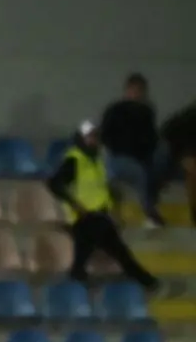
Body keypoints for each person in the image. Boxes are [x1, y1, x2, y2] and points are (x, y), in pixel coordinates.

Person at [48, 120, 159, 291]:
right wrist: (75, 204)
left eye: (95, 136)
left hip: (98, 214)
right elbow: (55, 184)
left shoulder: (97, 159)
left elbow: (101, 188)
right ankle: (147, 281)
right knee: (118, 250)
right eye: (89, 137)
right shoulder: (75, 159)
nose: (93, 140)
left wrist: (112, 206)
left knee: (85, 254)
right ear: (80, 139)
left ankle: (75, 280)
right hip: (87, 216)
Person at [100, 73, 169, 228]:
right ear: (127, 91)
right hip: (119, 157)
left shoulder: (146, 112)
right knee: (139, 173)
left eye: (140, 91)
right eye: (134, 90)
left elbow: (151, 139)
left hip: (140, 157)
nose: (137, 94)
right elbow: (105, 136)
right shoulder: (115, 110)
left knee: (153, 168)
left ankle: (151, 207)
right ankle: (149, 211)